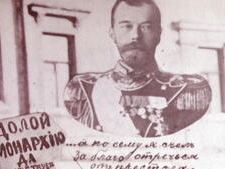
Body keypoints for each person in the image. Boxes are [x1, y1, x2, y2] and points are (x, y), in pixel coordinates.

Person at [64, 0, 211, 137]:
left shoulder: (188, 90)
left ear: (158, 35)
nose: (135, 36)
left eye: (146, 27)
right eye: (126, 26)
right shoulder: (83, 89)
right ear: (112, 34)